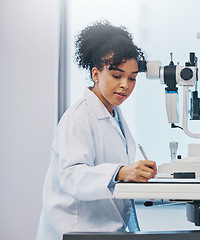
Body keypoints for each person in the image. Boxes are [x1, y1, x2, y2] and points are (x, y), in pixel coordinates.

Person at [37, 20, 157, 240]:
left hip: (100, 229)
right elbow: (72, 176)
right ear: (95, 74)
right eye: (116, 75)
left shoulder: (114, 115)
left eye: (132, 78)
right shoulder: (79, 117)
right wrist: (121, 172)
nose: (125, 85)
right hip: (74, 228)